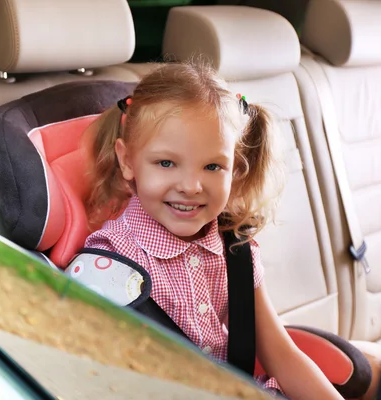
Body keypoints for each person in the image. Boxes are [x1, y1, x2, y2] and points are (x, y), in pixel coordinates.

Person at [81, 60, 343, 399]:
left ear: (234, 168)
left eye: (212, 166)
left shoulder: (233, 247)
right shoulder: (112, 262)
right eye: (166, 163)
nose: (191, 186)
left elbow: (281, 355)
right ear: (128, 161)